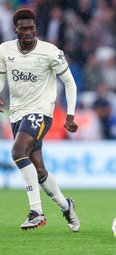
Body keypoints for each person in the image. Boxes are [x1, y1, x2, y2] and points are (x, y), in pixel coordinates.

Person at [0, 9, 80, 232]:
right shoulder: (4, 50)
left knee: (17, 152)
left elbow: (70, 84)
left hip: (40, 112)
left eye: (31, 28)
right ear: (15, 29)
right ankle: (67, 207)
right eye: (23, 29)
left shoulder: (50, 52)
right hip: (16, 113)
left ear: (36, 28)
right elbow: (1, 74)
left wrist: (70, 115)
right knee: (39, 171)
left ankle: (36, 211)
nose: (28, 32)